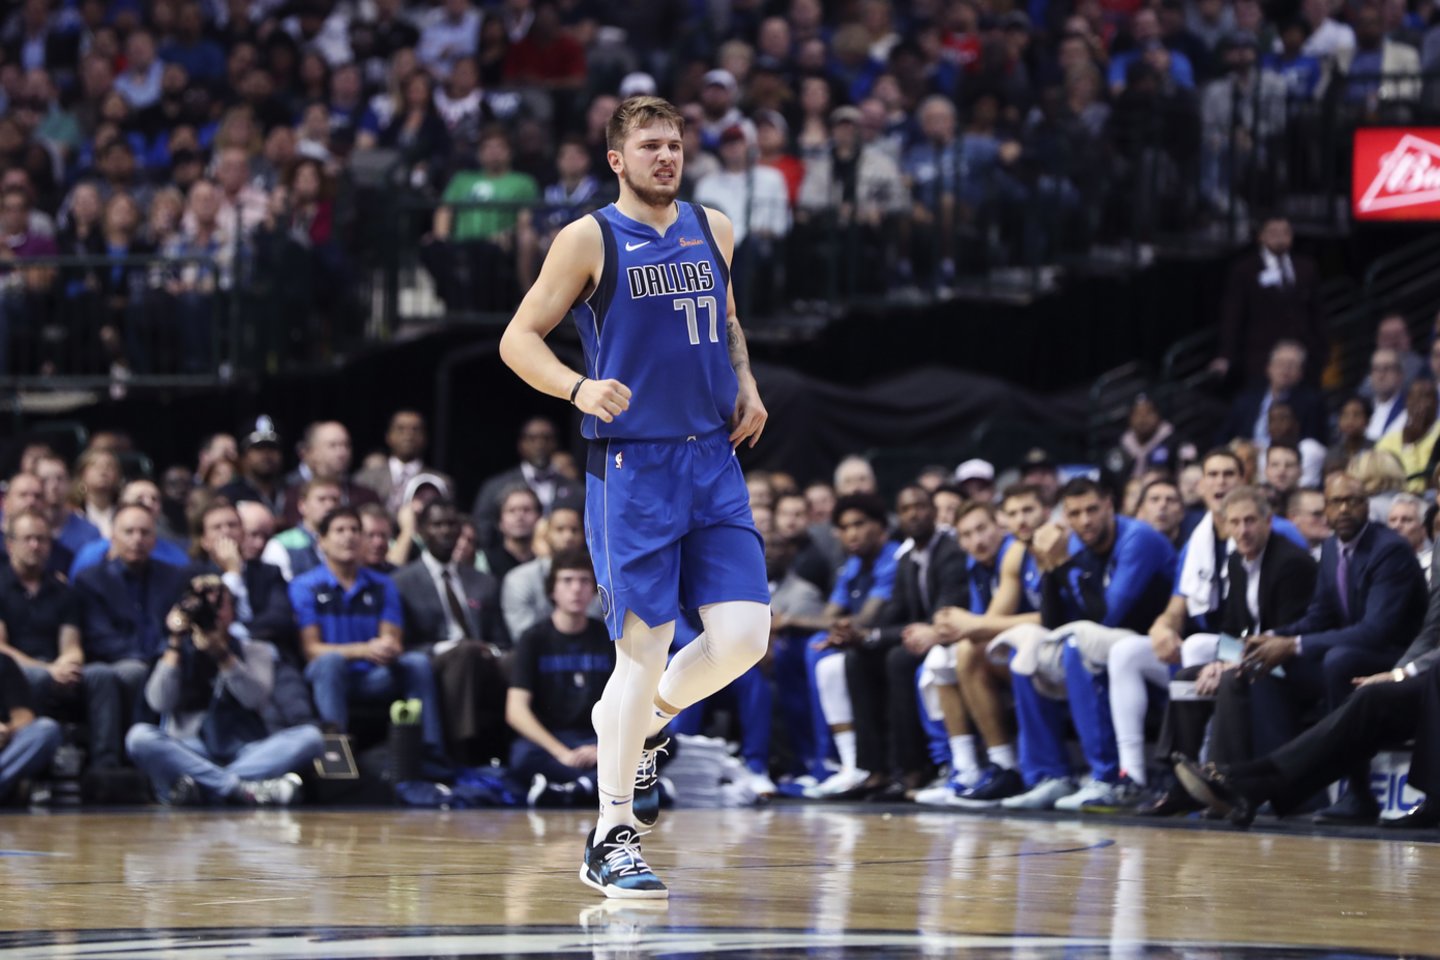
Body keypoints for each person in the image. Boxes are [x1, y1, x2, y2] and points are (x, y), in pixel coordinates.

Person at [498, 96, 771, 899]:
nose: (667, 156)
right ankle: (610, 836)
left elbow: (726, 318)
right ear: (617, 160)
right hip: (633, 468)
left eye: (674, 144)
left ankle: (648, 720)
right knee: (641, 650)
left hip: (712, 457)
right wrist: (576, 387)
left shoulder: (715, 227)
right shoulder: (588, 238)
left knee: (745, 638)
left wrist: (748, 383)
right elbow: (518, 338)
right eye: (650, 145)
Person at [124, 575, 324, 806]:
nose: (212, 611)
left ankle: (206, 787)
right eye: (203, 604)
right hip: (190, 748)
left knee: (311, 738)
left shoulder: (255, 649)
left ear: (233, 612)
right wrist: (175, 641)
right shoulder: (173, 649)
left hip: (245, 748)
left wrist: (223, 655)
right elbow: (160, 702)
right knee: (139, 737)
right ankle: (241, 789)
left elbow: (253, 699)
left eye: (219, 604)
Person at [292, 507, 446, 764]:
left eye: (355, 530)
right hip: (328, 676)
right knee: (330, 663)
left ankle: (431, 756)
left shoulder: (383, 584)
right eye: (340, 530)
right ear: (322, 542)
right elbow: (311, 650)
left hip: (373, 676)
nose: (349, 536)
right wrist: (364, 649)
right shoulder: (305, 585)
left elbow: (392, 638)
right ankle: (336, 760)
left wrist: (389, 647)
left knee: (416, 663)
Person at [393, 499, 512, 766]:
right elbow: (403, 643)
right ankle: (462, 754)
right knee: (464, 653)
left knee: (518, 660)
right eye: (437, 525)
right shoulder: (402, 581)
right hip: (433, 659)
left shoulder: (483, 581)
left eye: (451, 524)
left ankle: (522, 750)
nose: (446, 531)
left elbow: (501, 639)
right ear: (422, 531)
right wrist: (452, 647)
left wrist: (492, 650)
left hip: (482, 657)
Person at [73, 504, 189, 769]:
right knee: (131, 673)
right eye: (129, 532)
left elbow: (178, 625)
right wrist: (148, 659)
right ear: (112, 536)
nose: (137, 539)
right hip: (116, 660)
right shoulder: (90, 580)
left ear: (155, 538)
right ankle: (119, 763)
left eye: (144, 532)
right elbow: (99, 637)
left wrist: (160, 657)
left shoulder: (174, 578)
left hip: (165, 658)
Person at [506, 549, 614, 802]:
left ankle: (570, 788)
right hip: (552, 739)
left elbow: (626, 701)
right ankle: (595, 785)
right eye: (567, 580)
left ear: (594, 590)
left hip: (597, 737)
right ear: (551, 590)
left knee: (663, 743)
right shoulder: (533, 638)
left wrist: (603, 748)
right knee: (521, 756)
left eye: (584, 581)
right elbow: (515, 710)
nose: (576, 589)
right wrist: (561, 753)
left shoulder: (607, 637)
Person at [353, 410, 454, 515]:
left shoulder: (439, 482)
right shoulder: (365, 478)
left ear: (425, 437)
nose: (408, 436)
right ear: (388, 436)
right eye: (400, 429)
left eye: (415, 430)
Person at [0, 650, 62, 803]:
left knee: (46, 729)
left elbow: (23, 717)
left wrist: (6, 731)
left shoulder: (3, 662)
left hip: (6, 748)